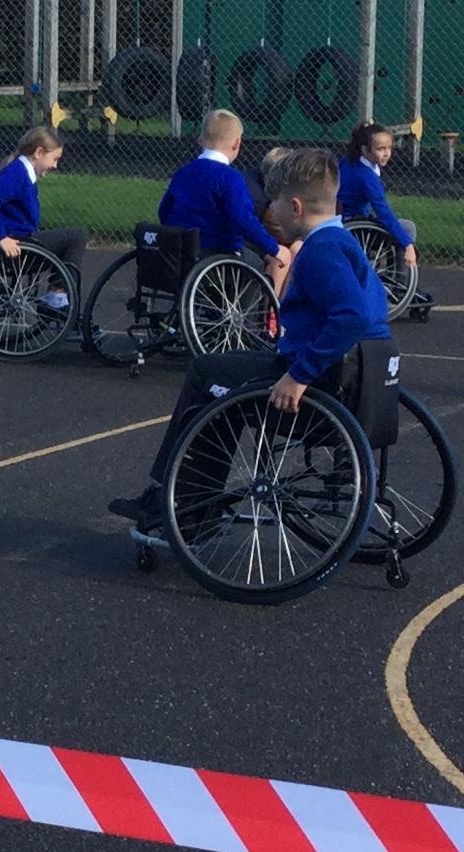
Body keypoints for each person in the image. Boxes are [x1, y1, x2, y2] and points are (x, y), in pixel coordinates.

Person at [108, 150, 391, 534]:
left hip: (319, 388)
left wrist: (299, 375)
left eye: (275, 203)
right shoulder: (344, 241)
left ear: (295, 207)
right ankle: (191, 502)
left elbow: (352, 315)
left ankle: (179, 502)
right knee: (228, 373)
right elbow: (371, 313)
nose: (270, 210)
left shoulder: (321, 251)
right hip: (359, 383)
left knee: (206, 374)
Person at [0, 125, 86, 311]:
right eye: (54, 159)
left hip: (23, 242)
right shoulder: (18, 173)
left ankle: (58, 294)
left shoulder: (22, 172)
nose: (55, 165)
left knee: (64, 239)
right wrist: (2, 237)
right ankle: (57, 295)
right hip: (20, 249)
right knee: (77, 236)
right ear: (39, 153)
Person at [157, 109, 281, 261]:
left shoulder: (183, 172)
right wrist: (274, 248)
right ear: (236, 143)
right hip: (218, 253)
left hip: (179, 253)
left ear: (200, 140)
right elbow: (242, 220)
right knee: (264, 262)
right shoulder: (231, 178)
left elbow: (164, 211)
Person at [337, 122, 419, 285]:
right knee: (407, 228)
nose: (386, 153)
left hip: (344, 219)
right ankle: (400, 283)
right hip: (357, 228)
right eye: (380, 149)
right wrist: (408, 245)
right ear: (365, 150)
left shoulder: (348, 162)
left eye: (389, 148)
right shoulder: (366, 177)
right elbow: (384, 212)